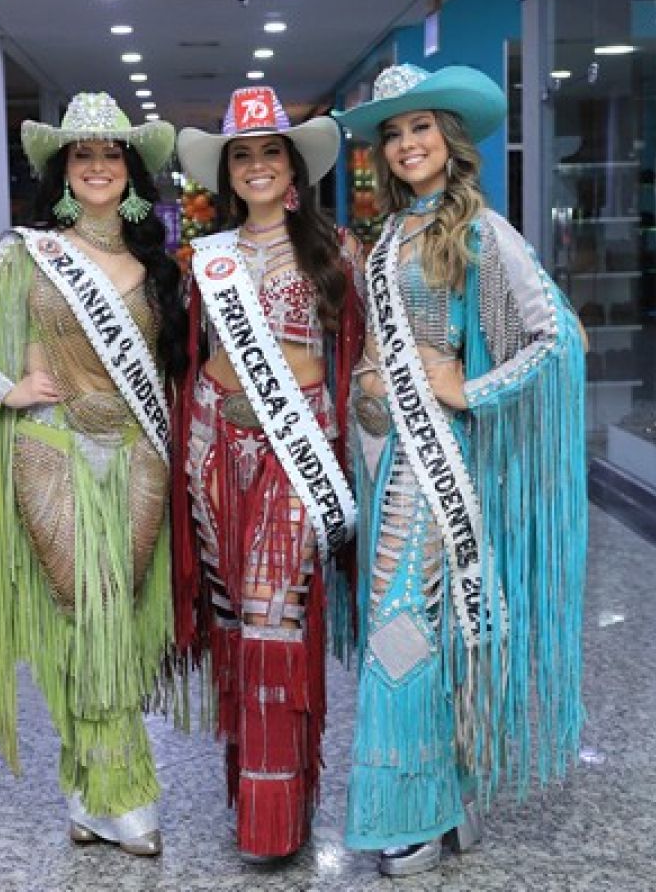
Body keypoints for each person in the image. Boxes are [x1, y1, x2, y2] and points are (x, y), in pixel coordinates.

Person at [333, 64, 589, 876]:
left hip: (434, 454)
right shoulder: (389, 235)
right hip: (381, 454)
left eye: (422, 128)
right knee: (428, 624)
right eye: (394, 133)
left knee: (402, 624)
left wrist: (470, 389)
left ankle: (412, 809)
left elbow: (556, 339)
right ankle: (452, 801)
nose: (408, 144)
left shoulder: (481, 228)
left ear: (450, 138)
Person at [0, 92, 186, 857]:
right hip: (53, 450)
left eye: (111, 154)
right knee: (88, 610)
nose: (98, 166)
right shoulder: (28, 253)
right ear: (63, 171)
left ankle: (84, 791)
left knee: (120, 613)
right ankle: (120, 793)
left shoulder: (156, 265)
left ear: (131, 171)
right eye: (83, 154)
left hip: (138, 454)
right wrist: (7, 388)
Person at [171, 86, 363, 862]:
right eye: (242, 154)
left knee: (273, 614)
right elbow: (186, 350)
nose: (256, 165)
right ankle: (252, 806)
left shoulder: (335, 249)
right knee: (234, 624)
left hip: (297, 445)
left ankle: (278, 818)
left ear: (293, 165)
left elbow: (363, 349)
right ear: (227, 171)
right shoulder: (206, 255)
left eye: (269, 151)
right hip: (215, 443)